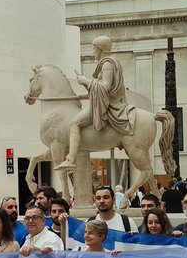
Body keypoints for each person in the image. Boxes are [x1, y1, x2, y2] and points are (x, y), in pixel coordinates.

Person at [58, 36, 135, 172]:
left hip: (111, 106)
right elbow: (102, 92)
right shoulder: (109, 63)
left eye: (94, 48)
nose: (93, 51)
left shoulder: (107, 64)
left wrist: (85, 81)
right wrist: (84, 96)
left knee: (74, 123)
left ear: (99, 49)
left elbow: (105, 87)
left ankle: (71, 159)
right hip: (107, 101)